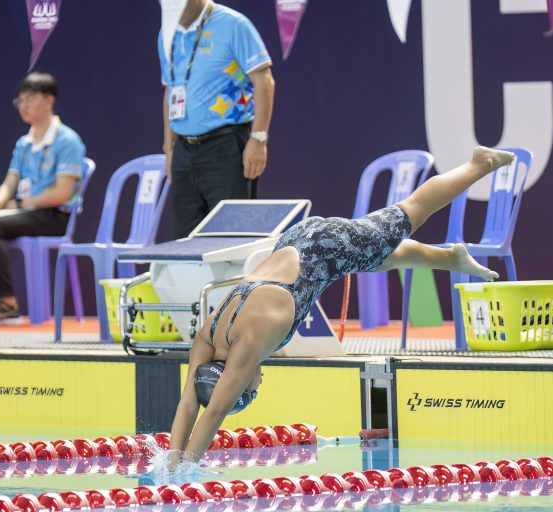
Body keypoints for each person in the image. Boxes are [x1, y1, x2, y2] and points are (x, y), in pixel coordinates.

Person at [166, 146, 515, 468]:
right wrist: (169, 465)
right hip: (298, 241)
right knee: (374, 257)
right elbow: (188, 404)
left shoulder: (248, 344)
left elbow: (211, 415)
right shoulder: (208, 334)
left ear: (236, 380)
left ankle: (478, 163)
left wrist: (182, 476)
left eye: (252, 390)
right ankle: (449, 258)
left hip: (325, 246)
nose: (260, 381)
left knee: (410, 212)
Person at [0, 72, 86, 325]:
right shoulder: (23, 144)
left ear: (48, 100)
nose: (23, 106)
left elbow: (62, 193)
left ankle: (7, 304)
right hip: (24, 213)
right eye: (19, 101)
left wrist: (19, 205)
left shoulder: (67, 141)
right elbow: (10, 182)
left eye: (29, 100)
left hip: (55, 216)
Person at [158, 0, 275, 239]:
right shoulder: (166, 32)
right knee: (184, 240)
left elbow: (264, 82)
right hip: (183, 149)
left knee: (230, 238)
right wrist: (169, 148)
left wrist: (259, 138)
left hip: (226, 144)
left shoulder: (233, 24)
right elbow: (170, 90)